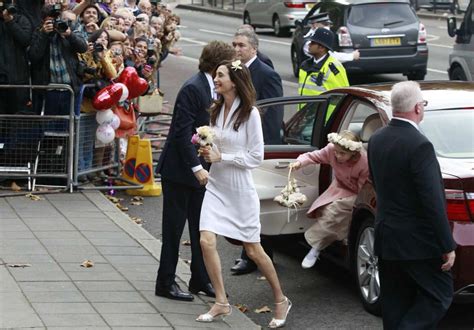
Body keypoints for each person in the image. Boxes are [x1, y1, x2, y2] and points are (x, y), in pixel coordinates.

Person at [197, 59, 291, 329]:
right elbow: (214, 144)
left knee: (253, 250)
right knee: (206, 241)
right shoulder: (215, 110)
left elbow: (255, 156)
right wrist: (205, 148)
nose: (216, 80)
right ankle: (221, 301)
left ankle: (280, 299)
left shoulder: (250, 114)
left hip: (240, 189)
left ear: (235, 82)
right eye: (215, 76)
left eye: (221, 76)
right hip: (216, 186)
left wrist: (221, 156)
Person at [368, 81, 456, 329]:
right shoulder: (420, 145)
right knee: (439, 295)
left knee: (395, 302)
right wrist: (446, 244)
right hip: (418, 243)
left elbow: (376, 182)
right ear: (418, 108)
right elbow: (432, 201)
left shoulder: (377, 139)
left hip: (387, 237)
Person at [154, 40, 236, 302]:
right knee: (173, 230)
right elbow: (181, 133)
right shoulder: (193, 88)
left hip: (202, 172)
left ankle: (199, 279)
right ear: (216, 65)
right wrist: (197, 167)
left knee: (202, 229)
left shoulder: (216, 89)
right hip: (180, 171)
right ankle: (165, 283)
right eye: (226, 66)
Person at [230, 27, 283, 276]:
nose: (237, 49)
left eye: (241, 45)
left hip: (257, 148)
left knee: (254, 203)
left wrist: (266, 148)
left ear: (253, 48)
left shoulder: (267, 74)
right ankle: (255, 253)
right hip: (237, 145)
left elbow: (273, 114)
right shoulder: (233, 72)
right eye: (235, 45)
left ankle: (254, 256)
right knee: (243, 202)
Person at [290, 131, 369, 268]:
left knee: (334, 211)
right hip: (339, 187)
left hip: (357, 193)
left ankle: (315, 247)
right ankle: (333, 242)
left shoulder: (364, 161)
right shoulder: (332, 150)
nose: (337, 156)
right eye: (336, 152)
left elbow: (363, 190)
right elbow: (313, 156)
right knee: (325, 211)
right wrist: (299, 162)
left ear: (353, 153)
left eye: (342, 153)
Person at [298, 28, 349, 121]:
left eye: (313, 43)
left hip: (322, 121)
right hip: (303, 118)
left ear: (321, 48)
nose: (309, 45)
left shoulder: (334, 68)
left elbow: (342, 96)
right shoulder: (305, 65)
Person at [0, 2, 33, 114]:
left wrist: (10, 22)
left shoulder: (22, 19)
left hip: (18, 81)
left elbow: (25, 40)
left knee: (18, 119)